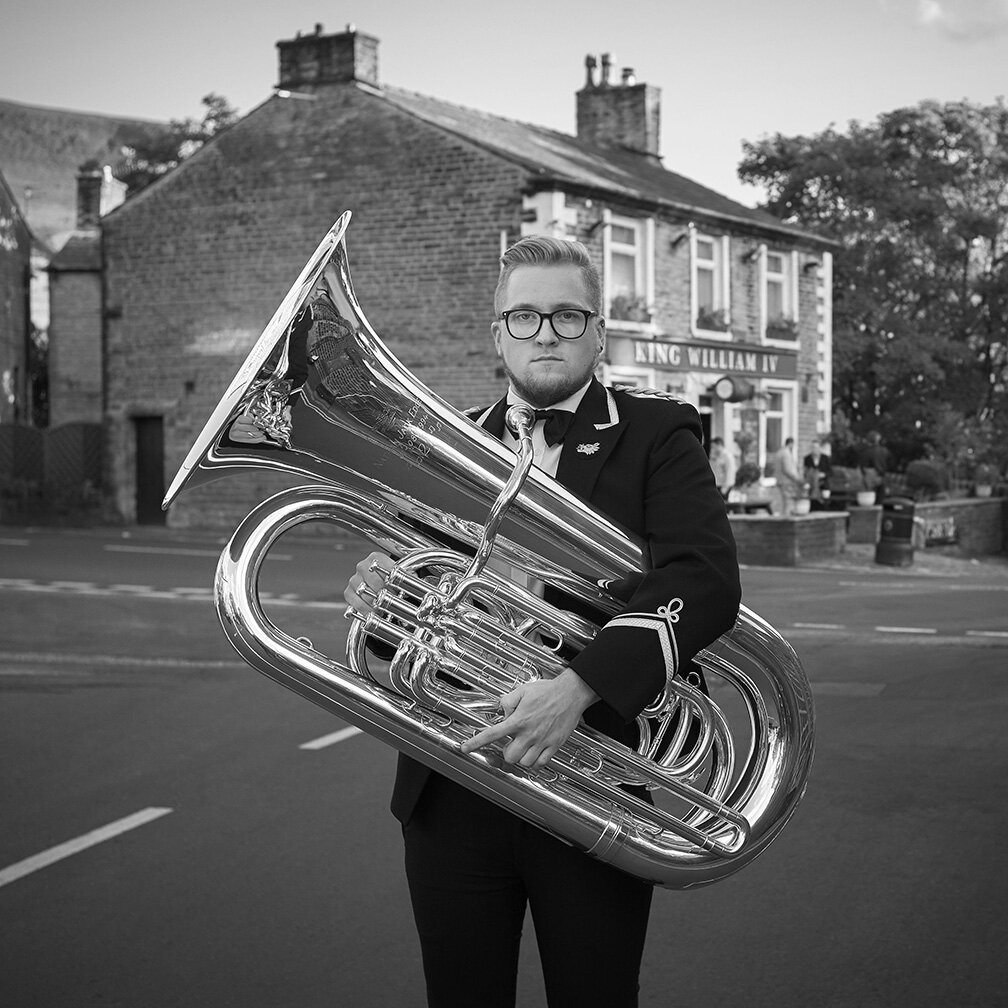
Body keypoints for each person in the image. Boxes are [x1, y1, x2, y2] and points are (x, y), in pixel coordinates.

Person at [344, 236, 741, 1008]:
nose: (546, 332)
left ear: (599, 333)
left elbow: (705, 579)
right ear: (498, 334)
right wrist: (382, 597)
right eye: (524, 316)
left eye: (566, 314)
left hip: (598, 778)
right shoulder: (444, 444)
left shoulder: (658, 434)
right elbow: (417, 605)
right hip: (453, 780)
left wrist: (580, 687)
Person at [770, 437, 802, 516]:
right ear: (791, 444)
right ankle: (787, 521)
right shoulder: (786, 453)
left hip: (780, 480)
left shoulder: (779, 452)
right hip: (786, 482)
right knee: (788, 503)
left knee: (782, 503)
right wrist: (797, 479)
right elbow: (787, 469)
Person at [802, 440, 832, 507]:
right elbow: (805, 472)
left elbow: (830, 472)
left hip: (823, 484)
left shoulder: (825, 458)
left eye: (816, 447)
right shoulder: (807, 458)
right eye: (813, 447)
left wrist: (823, 474)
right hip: (812, 484)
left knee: (825, 499)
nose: (815, 449)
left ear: (819, 448)